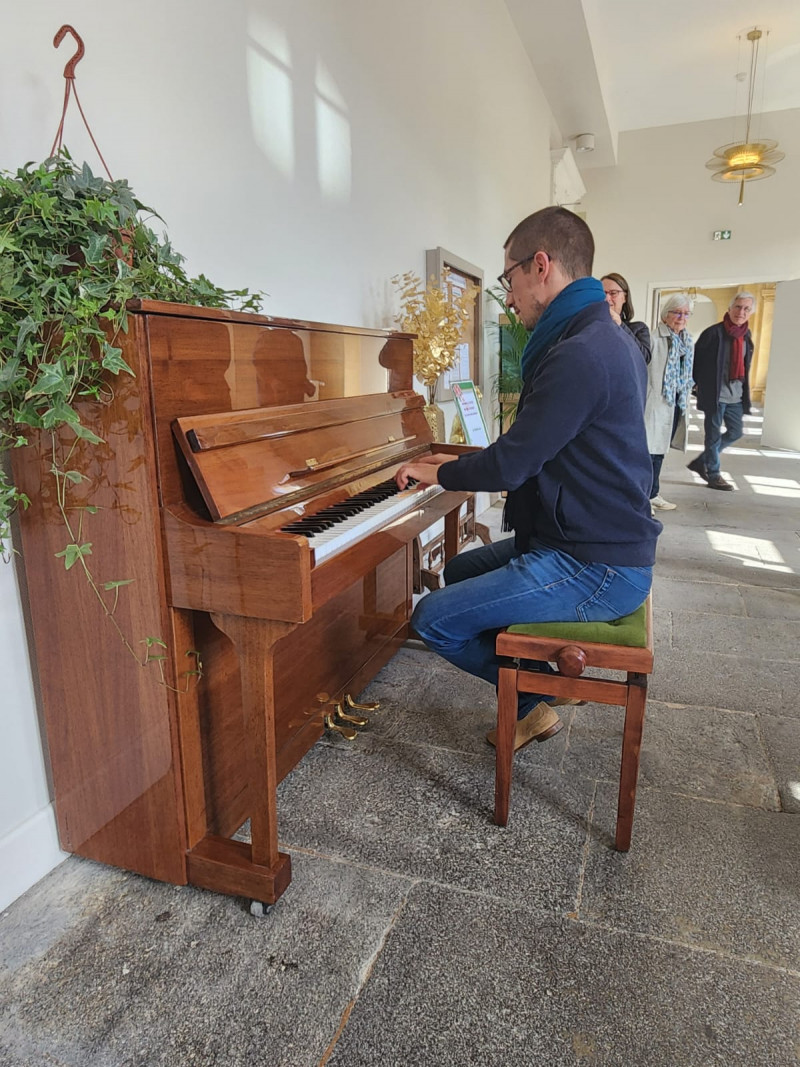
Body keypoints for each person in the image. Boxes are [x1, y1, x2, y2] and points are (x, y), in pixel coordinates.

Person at [394, 206, 660, 751]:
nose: (508, 297)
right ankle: (537, 670)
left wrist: (436, 470)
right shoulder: (603, 336)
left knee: (433, 620)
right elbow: (535, 451)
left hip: (597, 564)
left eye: (508, 279)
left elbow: (512, 463)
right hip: (584, 540)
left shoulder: (580, 353)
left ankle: (535, 699)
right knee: (461, 569)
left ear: (541, 265)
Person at [687, 292, 756, 492]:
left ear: (750, 312)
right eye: (738, 307)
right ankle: (714, 474)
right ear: (729, 308)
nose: (741, 312)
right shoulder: (713, 333)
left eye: (746, 309)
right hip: (715, 395)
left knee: (736, 432)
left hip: (736, 395)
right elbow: (696, 360)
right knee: (713, 436)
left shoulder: (746, 336)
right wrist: (697, 384)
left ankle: (702, 462)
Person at [644, 294, 694, 513]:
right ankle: (642, 497)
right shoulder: (653, 339)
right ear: (666, 315)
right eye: (677, 312)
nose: (681, 317)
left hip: (675, 403)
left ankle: (653, 493)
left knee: (660, 450)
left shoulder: (686, 340)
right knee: (647, 451)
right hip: (654, 402)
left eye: (686, 314)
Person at [601, 272, 651, 363]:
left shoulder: (639, 328)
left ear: (624, 297)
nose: (607, 298)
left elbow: (644, 359)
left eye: (613, 293)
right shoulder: (591, 326)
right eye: (603, 293)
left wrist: (620, 325)